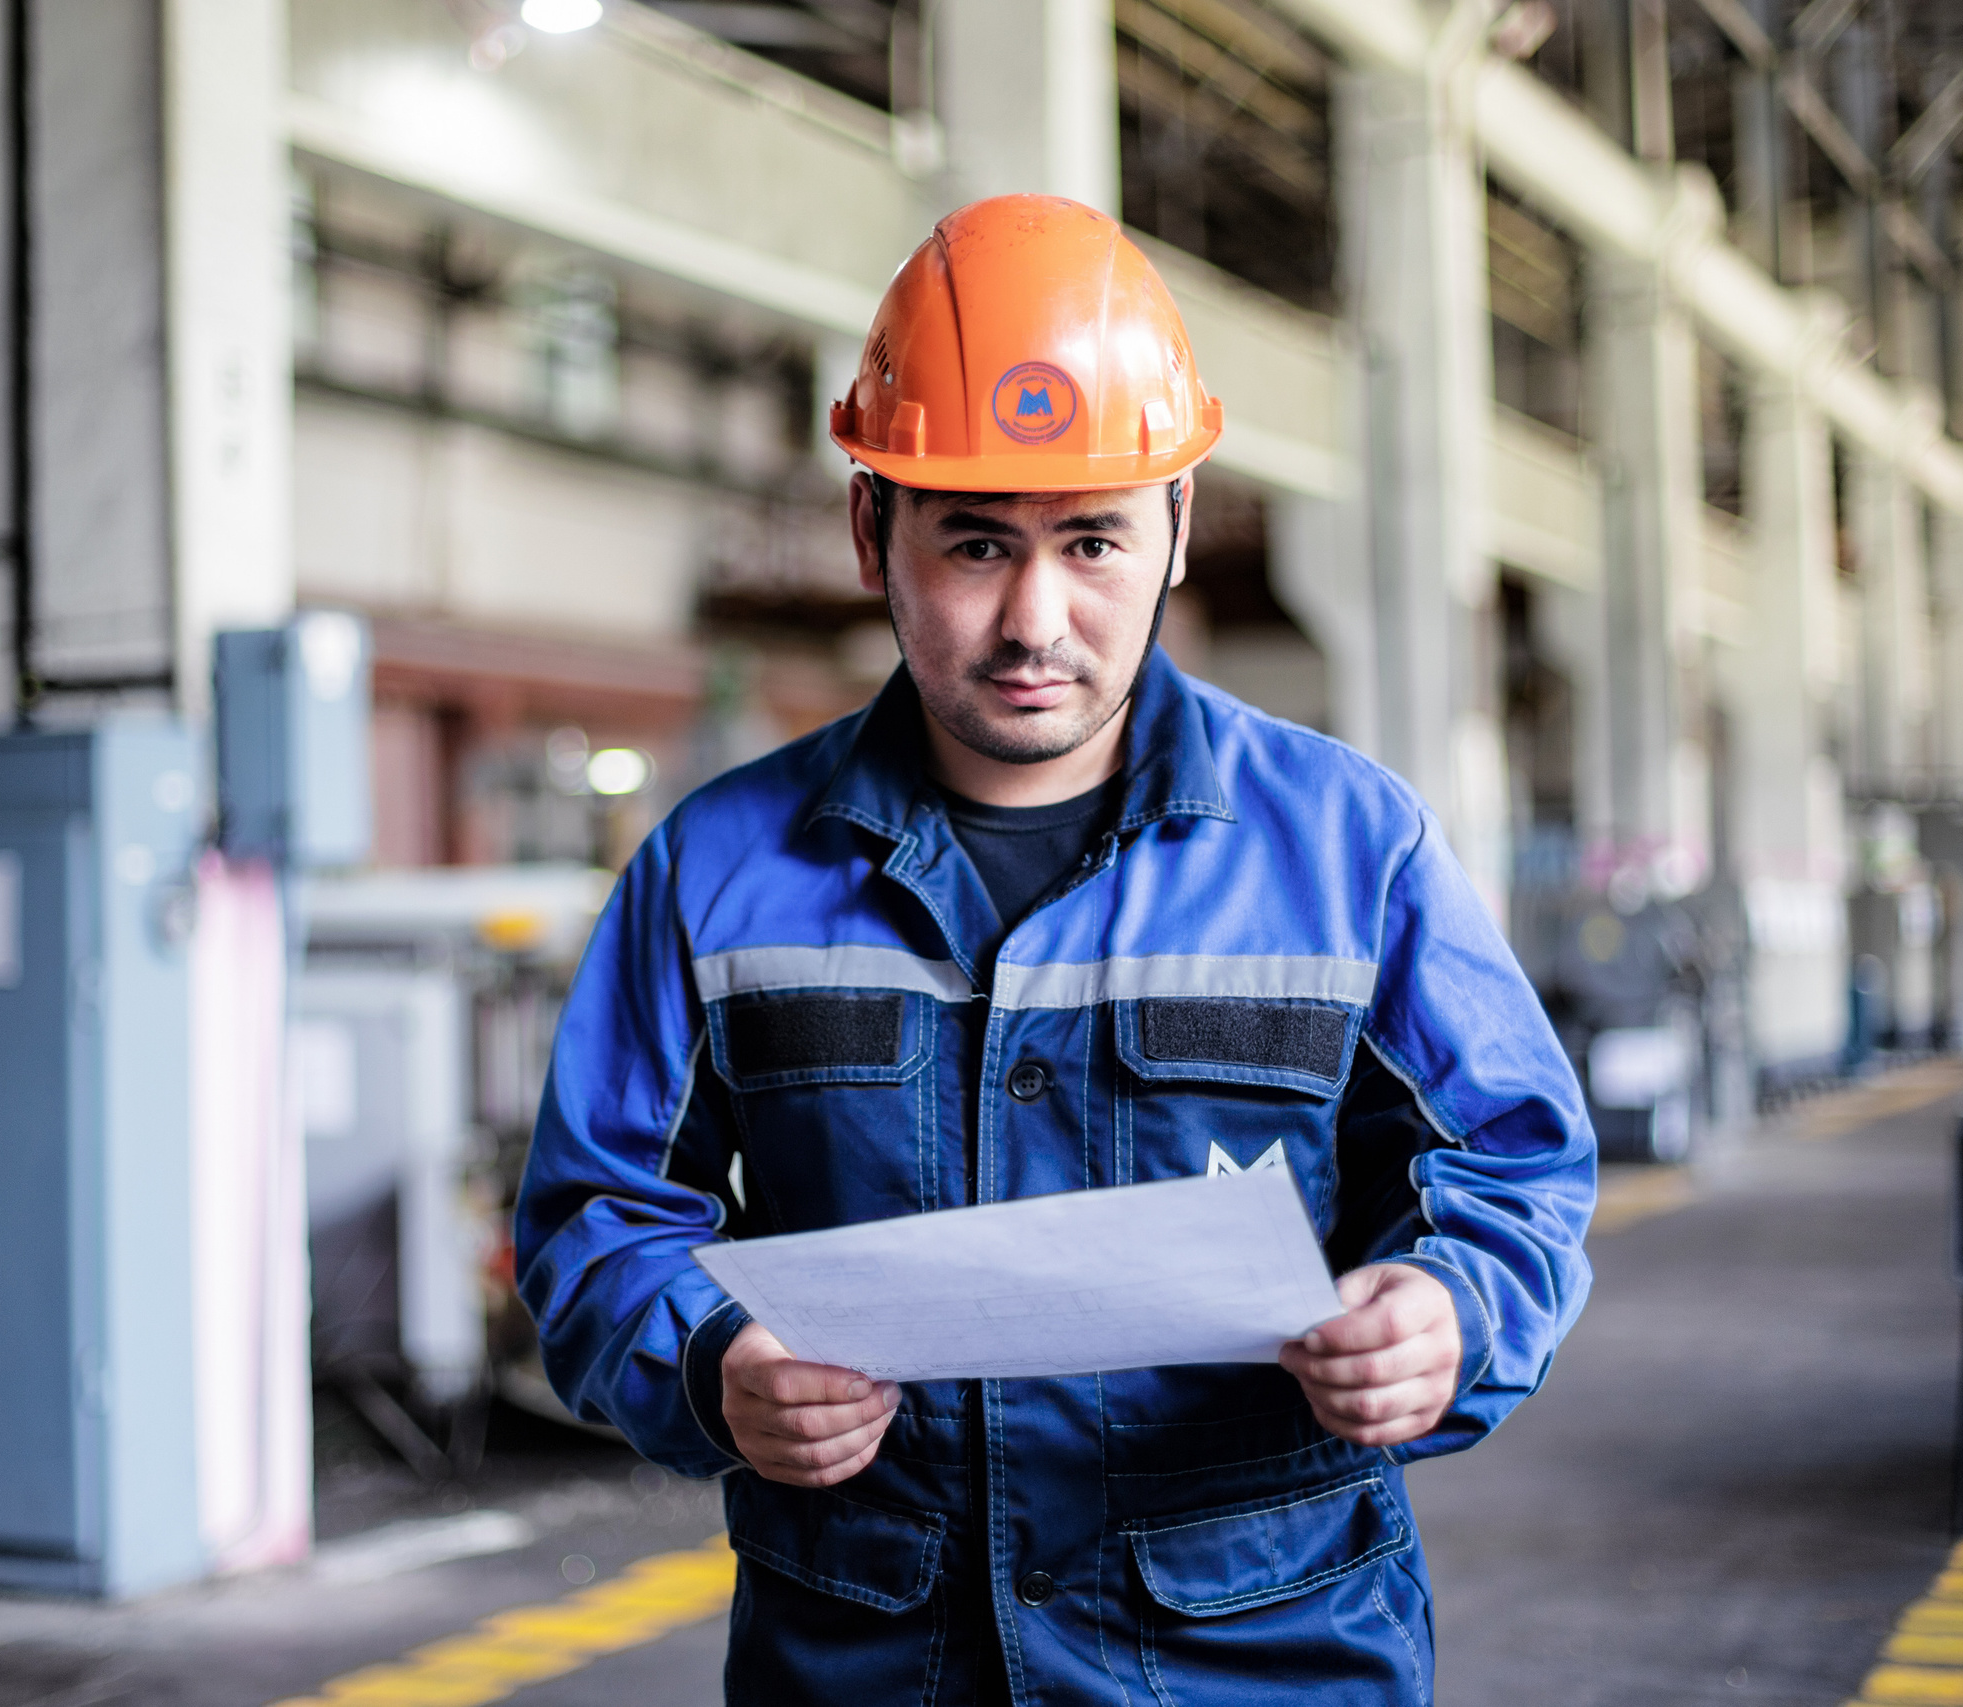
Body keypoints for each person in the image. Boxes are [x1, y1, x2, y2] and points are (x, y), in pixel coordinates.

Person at [515, 195, 1596, 1707]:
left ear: (1177, 526)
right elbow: (595, 1220)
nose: (1035, 620)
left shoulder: (1355, 852)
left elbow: (1516, 1172)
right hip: (871, 1662)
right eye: (973, 543)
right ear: (869, 527)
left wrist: (1450, 1315)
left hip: (1259, 1663)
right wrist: (710, 1363)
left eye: (1093, 540)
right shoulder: (717, 872)